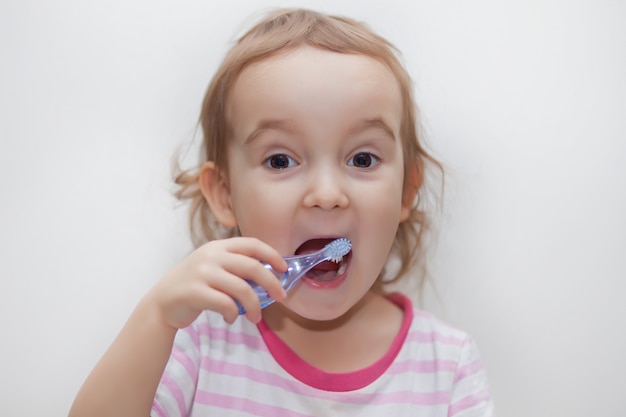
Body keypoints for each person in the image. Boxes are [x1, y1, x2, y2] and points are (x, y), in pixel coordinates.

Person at [69, 8, 493, 417]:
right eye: (280, 161)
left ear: (405, 192)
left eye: (362, 159)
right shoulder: (200, 339)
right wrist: (156, 317)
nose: (327, 195)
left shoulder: (447, 366)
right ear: (225, 194)